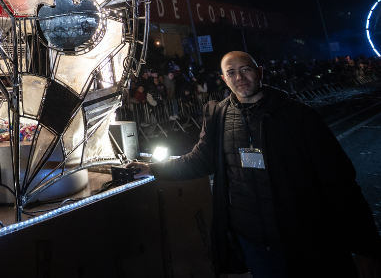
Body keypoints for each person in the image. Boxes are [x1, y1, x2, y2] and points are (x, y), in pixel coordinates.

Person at [126, 51, 381, 277]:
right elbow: (199, 160)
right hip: (254, 244)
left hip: (306, 238)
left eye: (245, 69)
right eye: (231, 72)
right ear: (224, 79)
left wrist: (365, 246)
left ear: (260, 72)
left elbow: (340, 182)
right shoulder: (218, 116)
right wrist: (153, 168)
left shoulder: (299, 115)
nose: (239, 77)